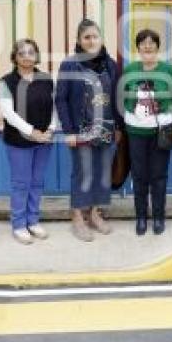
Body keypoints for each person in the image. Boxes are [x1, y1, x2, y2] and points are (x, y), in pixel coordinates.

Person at [56, 19, 123, 242]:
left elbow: (117, 98)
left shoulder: (111, 65)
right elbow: (61, 100)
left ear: (101, 38)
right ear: (78, 41)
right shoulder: (69, 65)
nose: (91, 40)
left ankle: (94, 213)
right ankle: (77, 217)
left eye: (95, 36)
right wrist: (69, 131)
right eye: (86, 37)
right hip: (81, 130)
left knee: (102, 173)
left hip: (106, 128)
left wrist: (118, 127)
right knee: (83, 173)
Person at [121, 29, 172, 236]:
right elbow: (121, 98)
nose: (147, 46)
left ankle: (158, 216)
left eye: (151, 42)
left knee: (159, 176)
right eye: (143, 43)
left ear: (158, 46)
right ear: (137, 47)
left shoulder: (169, 70)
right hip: (136, 131)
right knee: (139, 176)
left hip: (161, 131)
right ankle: (140, 217)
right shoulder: (129, 70)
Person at [0, 39, 56, 244]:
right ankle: (19, 224)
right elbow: (8, 114)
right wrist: (32, 132)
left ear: (37, 56)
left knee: (37, 182)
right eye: (21, 53)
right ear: (14, 57)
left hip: (45, 139)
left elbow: (55, 107)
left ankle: (33, 220)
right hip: (19, 141)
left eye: (31, 52)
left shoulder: (46, 79)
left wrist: (50, 129)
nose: (26, 56)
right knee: (21, 183)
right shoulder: (6, 81)